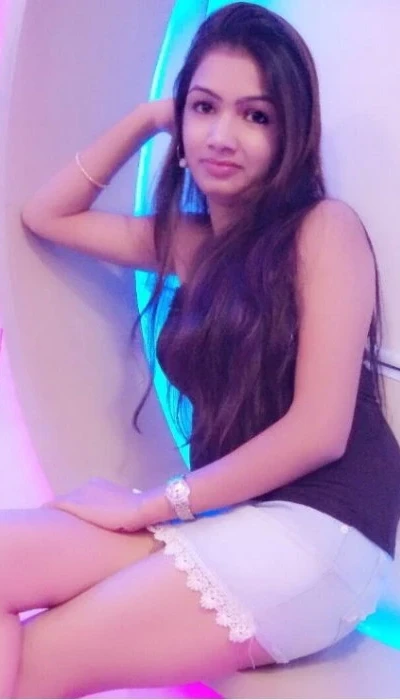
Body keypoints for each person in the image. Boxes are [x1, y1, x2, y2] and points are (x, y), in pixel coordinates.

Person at [6, 1, 400, 696]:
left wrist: (150, 505)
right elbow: (46, 214)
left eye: (256, 116)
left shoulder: (325, 229)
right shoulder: (188, 241)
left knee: (40, 656)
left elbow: (319, 432)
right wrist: (148, 118)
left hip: (326, 532)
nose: (223, 135)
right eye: (205, 107)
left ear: (291, 134)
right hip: (235, 517)